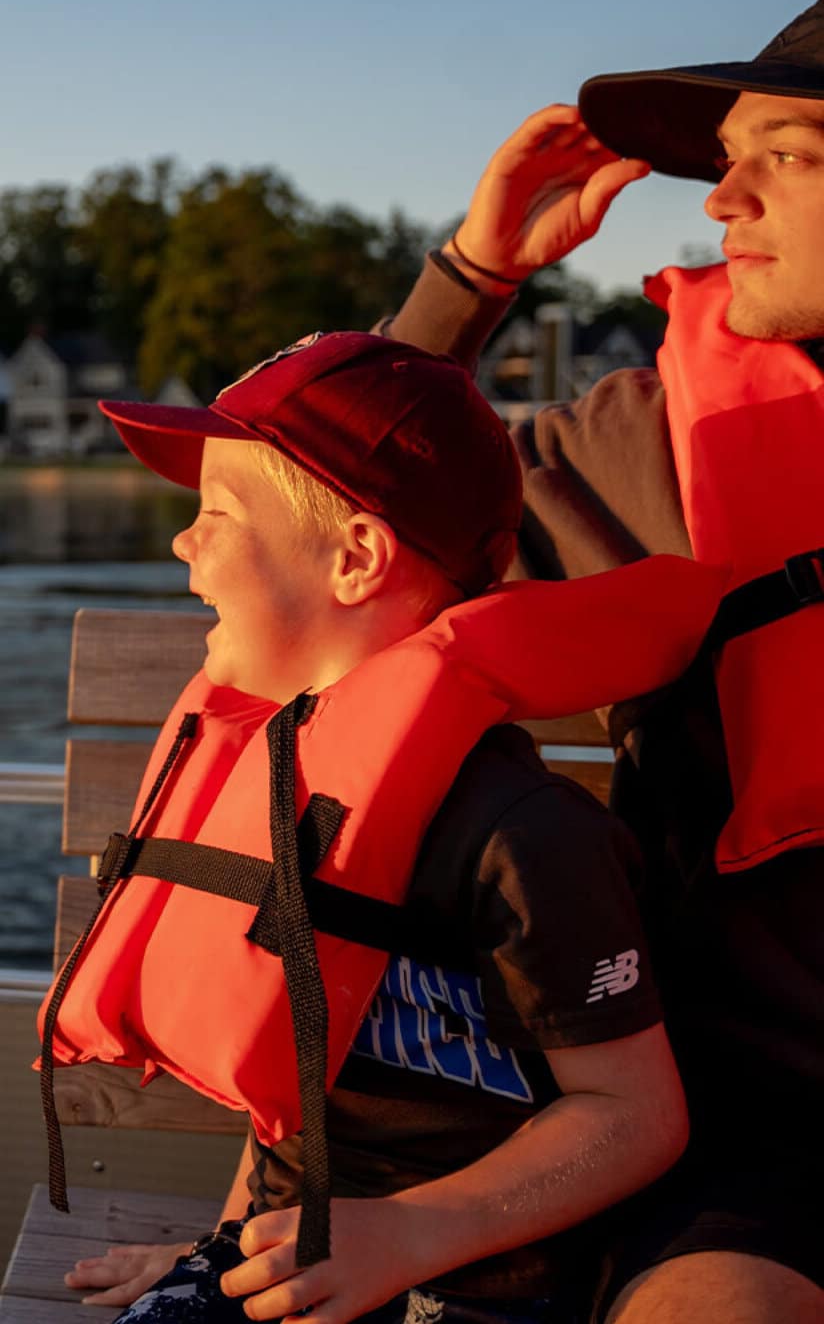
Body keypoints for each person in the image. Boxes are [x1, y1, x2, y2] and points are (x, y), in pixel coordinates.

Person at [49, 331, 719, 1323]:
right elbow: (283, 1067)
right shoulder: (275, 777)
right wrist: (221, 1249)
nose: (184, 543)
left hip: (480, 1283)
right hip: (291, 1259)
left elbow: (634, 1118)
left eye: (216, 516)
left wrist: (407, 1235)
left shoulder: (527, 840)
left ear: (356, 557)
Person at [372, 0, 824, 1324]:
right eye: (727, 154)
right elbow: (338, 538)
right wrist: (473, 275)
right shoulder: (649, 447)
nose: (724, 197)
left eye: (788, 152)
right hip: (769, 1147)